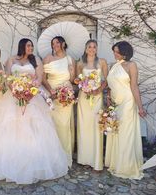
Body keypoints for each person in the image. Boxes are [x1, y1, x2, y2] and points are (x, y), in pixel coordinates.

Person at [0, 38, 68, 184]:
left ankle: (34, 162)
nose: (31, 48)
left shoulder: (36, 60)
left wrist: (29, 92)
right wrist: (16, 92)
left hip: (32, 96)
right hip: (14, 96)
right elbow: (8, 78)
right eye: (28, 46)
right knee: (12, 127)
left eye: (31, 46)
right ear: (22, 46)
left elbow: (39, 78)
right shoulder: (11, 60)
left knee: (33, 127)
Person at [105, 41, 146, 179]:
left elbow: (134, 87)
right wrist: (109, 96)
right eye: (114, 51)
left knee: (125, 134)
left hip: (128, 103)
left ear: (125, 52)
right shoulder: (113, 66)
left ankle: (126, 166)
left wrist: (140, 107)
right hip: (116, 103)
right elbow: (111, 85)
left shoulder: (131, 65)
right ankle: (116, 163)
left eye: (117, 51)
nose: (115, 54)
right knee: (116, 132)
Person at [43, 36, 75, 167]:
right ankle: (51, 157)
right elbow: (43, 78)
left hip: (65, 96)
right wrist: (51, 91)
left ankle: (64, 157)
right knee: (51, 125)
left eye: (57, 42)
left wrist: (72, 72)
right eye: (53, 43)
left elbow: (72, 80)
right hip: (51, 95)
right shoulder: (48, 58)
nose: (55, 45)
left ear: (63, 44)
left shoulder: (70, 59)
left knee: (63, 125)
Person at [76, 40, 108, 171]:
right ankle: (84, 159)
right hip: (84, 97)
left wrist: (98, 90)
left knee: (95, 126)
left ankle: (96, 160)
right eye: (89, 47)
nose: (92, 49)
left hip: (97, 97)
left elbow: (106, 80)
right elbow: (76, 79)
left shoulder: (102, 62)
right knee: (84, 126)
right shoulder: (80, 63)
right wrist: (83, 84)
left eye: (94, 47)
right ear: (85, 48)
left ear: (97, 49)